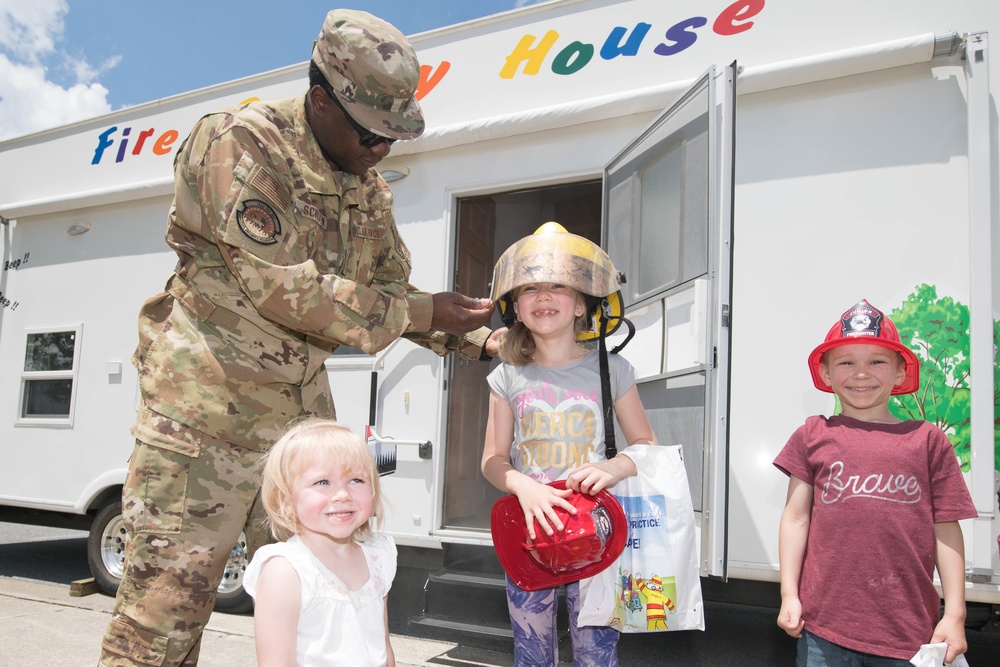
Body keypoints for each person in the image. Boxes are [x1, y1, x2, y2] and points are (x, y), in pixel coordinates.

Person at [99, 9, 495, 666]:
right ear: (321, 100)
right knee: (164, 618)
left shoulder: (366, 191)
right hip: (204, 416)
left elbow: (400, 296)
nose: (381, 152)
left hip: (300, 432)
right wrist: (429, 313)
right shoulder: (242, 143)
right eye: (372, 134)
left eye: (393, 138)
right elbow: (284, 288)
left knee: (330, 607)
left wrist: (491, 343)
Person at [481, 222, 656, 666]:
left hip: (598, 535)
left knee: (596, 654)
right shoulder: (506, 375)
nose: (543, 296)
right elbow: (492, 460)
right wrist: (523, 485)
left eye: (558, 286)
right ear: (514, 308)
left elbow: (645, 445)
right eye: (531, 288)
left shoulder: (612, 369)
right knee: (531, 653)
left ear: (581, 304)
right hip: (530, 535)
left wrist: (615, 468)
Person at [774, 299, 977, 666]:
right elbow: (795, 518)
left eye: (877, 361)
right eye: (846, 362)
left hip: (908, 633)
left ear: (900, 373)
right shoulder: (811, 434)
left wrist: (955, 615)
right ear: (827, 373)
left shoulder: (928, 440)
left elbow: (946, 529)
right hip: (823, 631)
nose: (861, 374)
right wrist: (790, 594)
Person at [243, 419, 395, 667]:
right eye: (322, 482)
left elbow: (384, 648)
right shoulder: (286, 571)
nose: (343, 494)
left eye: (356, 480)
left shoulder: (379, 557)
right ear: (285, 499)